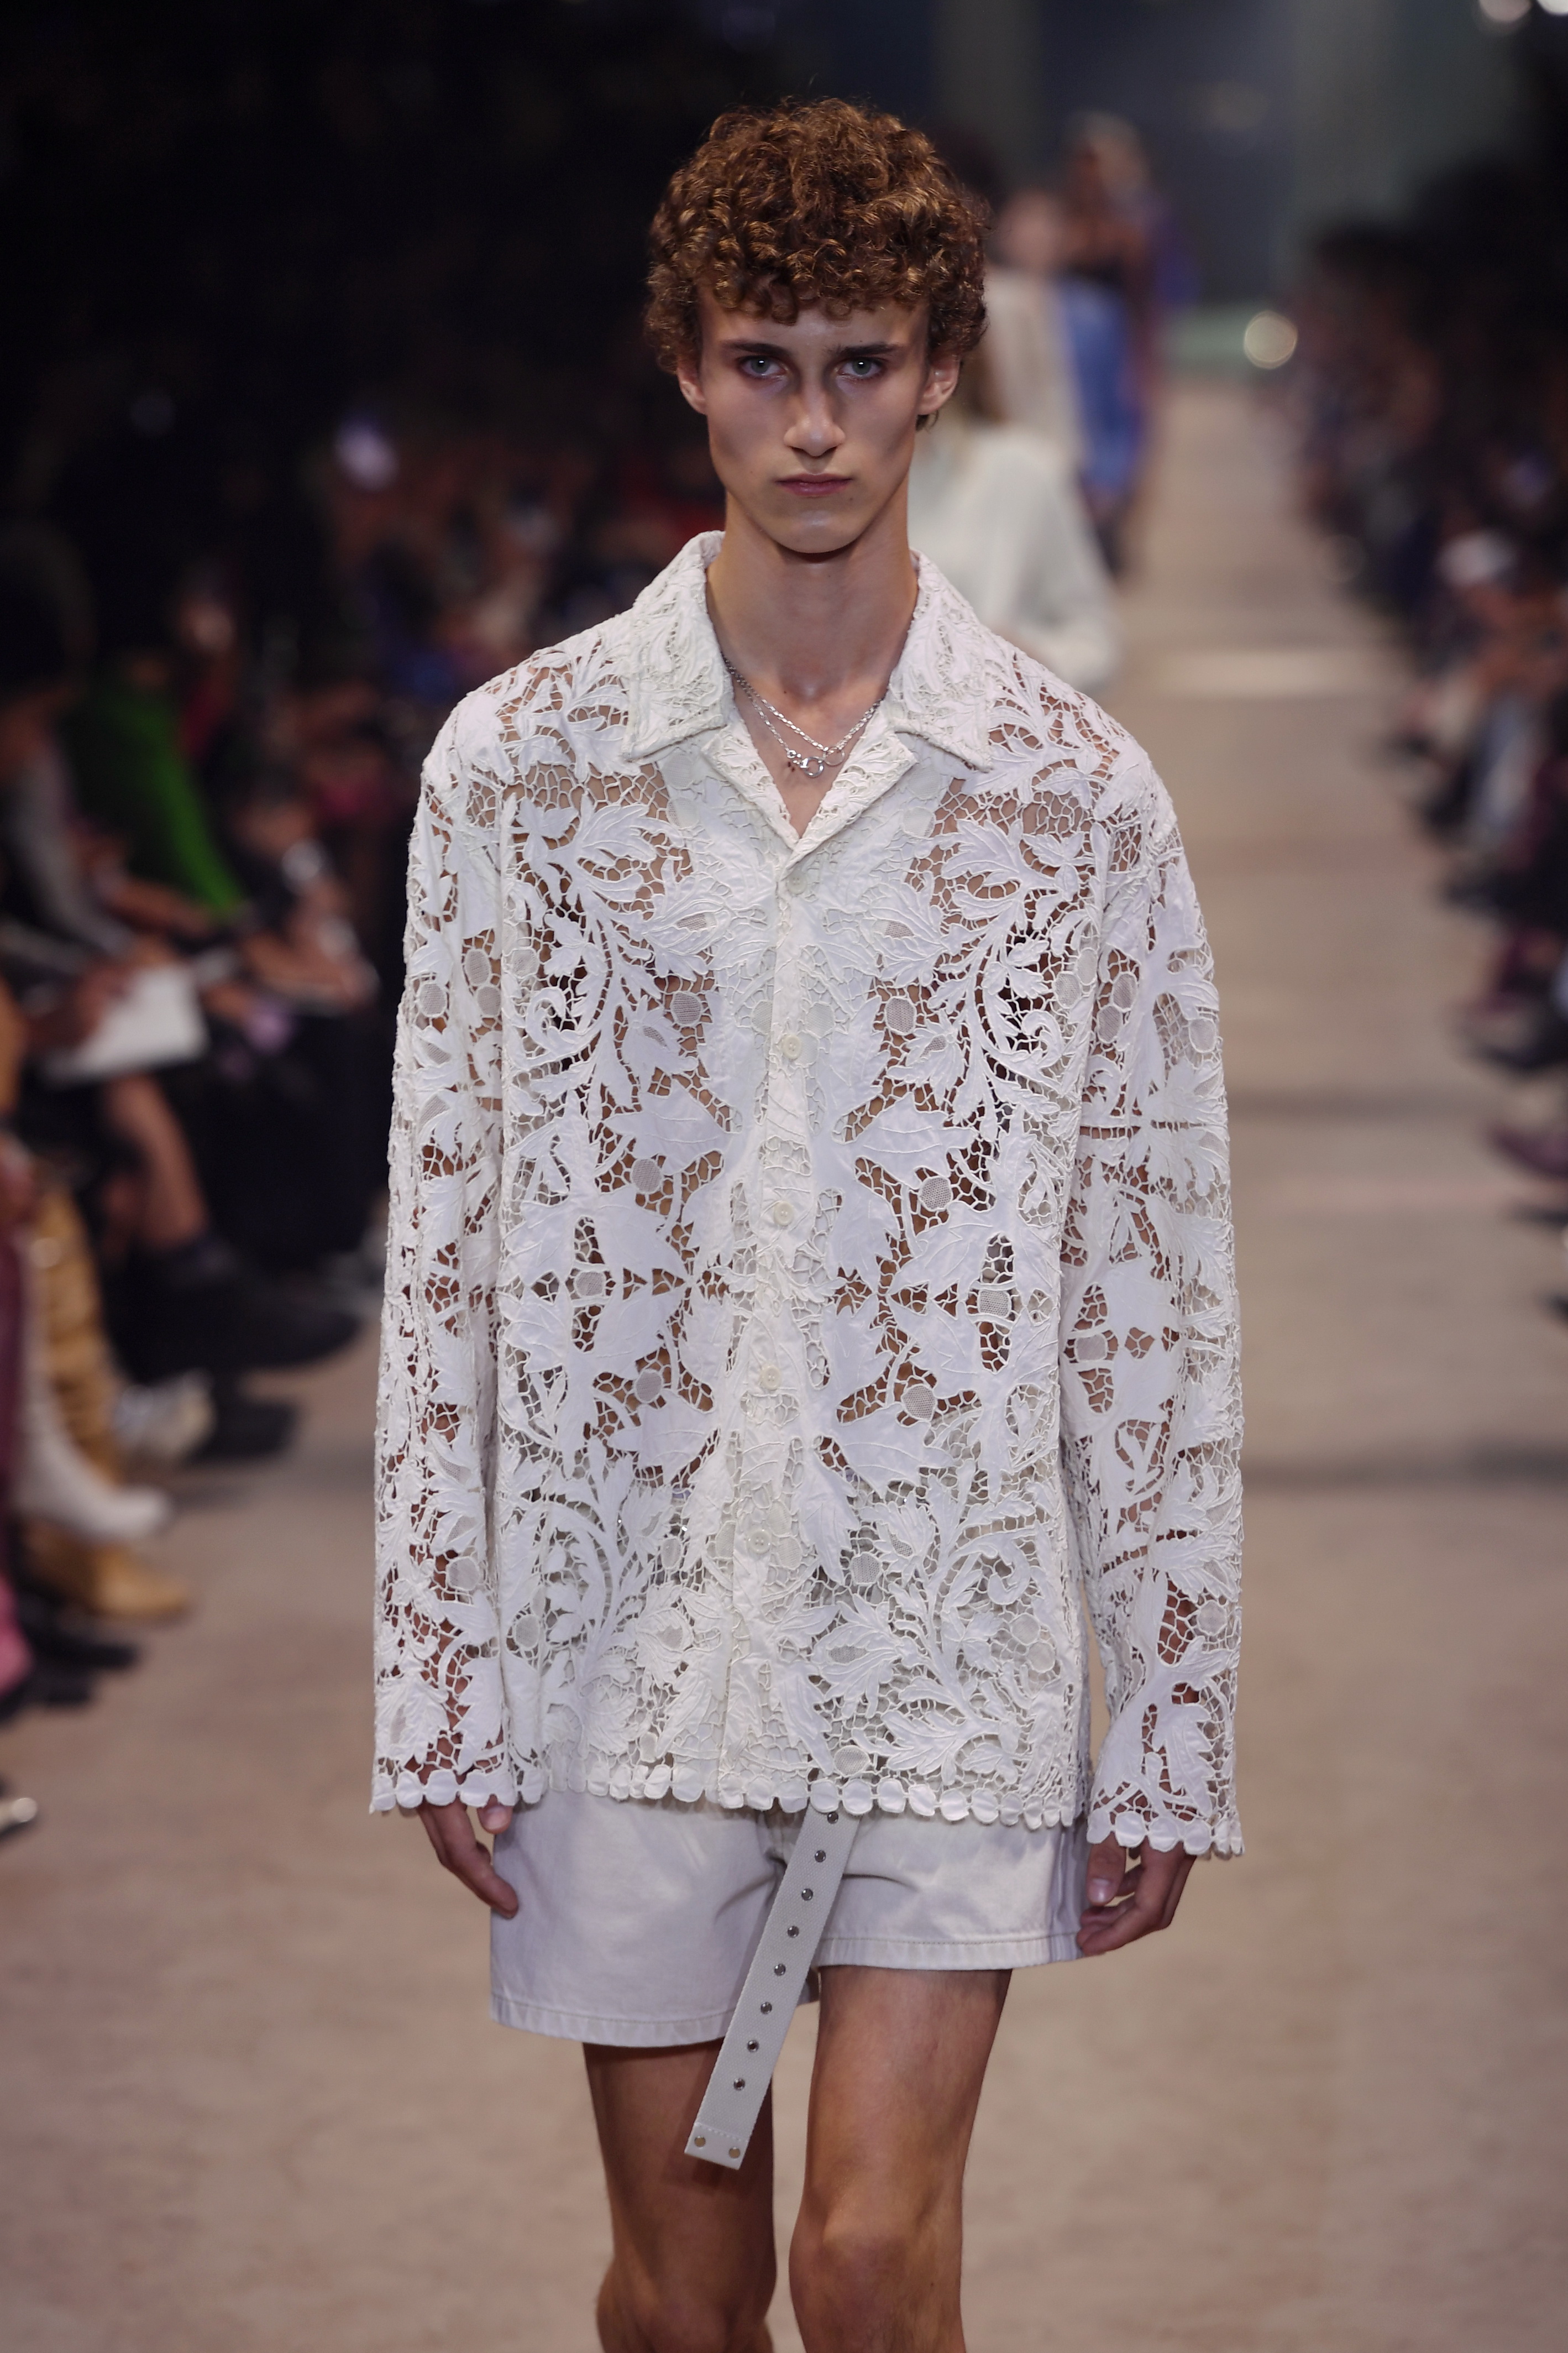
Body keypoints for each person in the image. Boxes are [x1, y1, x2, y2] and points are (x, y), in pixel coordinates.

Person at [376, 99, 1242, 2353]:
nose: (816, 420)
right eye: (764, 361)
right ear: (686, 366)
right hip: (620, 1609)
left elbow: (1144, 1271)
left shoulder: (1071, 795)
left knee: (862, 2264)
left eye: (862, 363)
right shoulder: (520, 764)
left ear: (943, 364)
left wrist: (1166, 1701)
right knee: (683, 2296)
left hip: (942, 1612)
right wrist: (434, 1658)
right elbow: (447, 1231)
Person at [906, 339, 1120, 693]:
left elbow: (1096, 643)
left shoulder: (1024, 469)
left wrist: (1028, 660)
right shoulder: (819, 480)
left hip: (1000, 726)